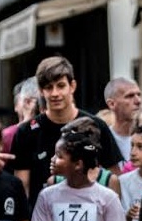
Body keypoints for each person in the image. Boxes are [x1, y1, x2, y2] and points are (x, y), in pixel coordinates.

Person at [11, 57, 124, 206]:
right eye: (49, 87)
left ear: (72, 86)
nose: (55, 93)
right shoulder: (26, 132)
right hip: (41, 215)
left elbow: (114, 177)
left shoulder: (96, 126)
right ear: (41, 91)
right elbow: (22, 187)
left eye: (61, 86)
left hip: (91, 213)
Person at [104, 78, 142, 162]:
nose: (138, 101)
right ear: (112, 104)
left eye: (139, 95)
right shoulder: (104, 140)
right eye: (130, 96)